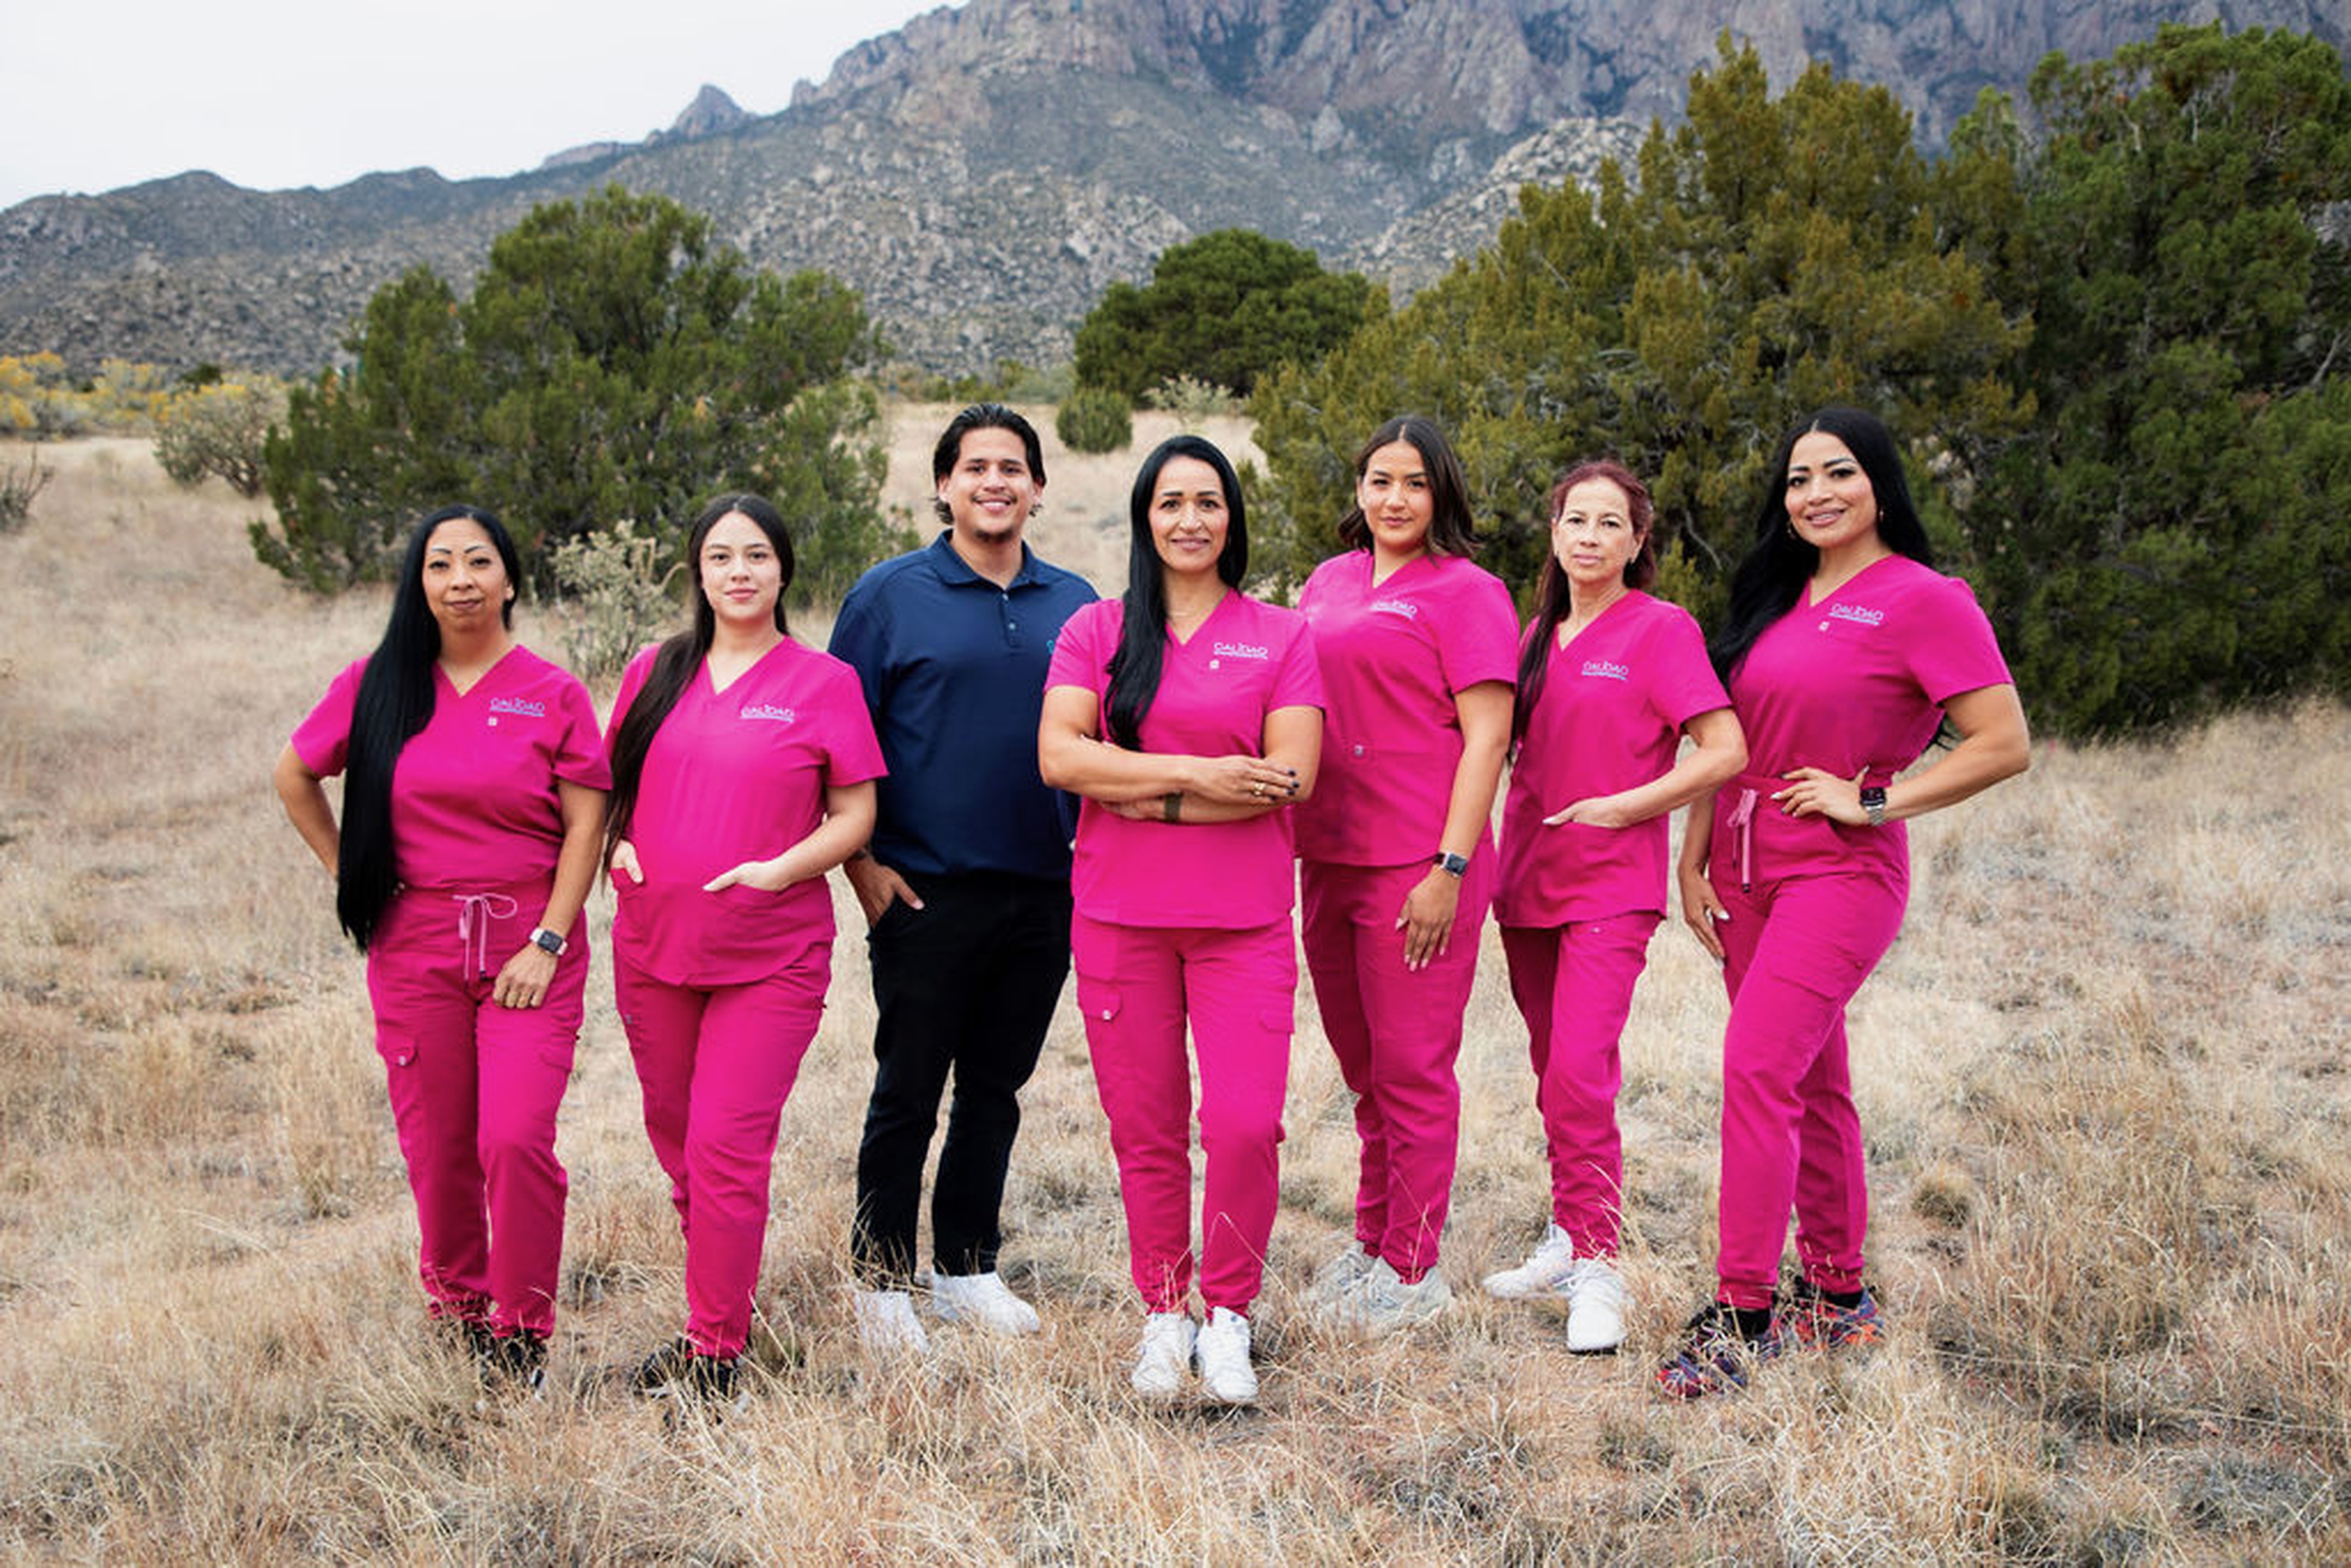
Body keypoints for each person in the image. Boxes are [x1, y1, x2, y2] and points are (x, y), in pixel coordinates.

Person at [1659, 407, 2030, 1398]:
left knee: (1756, 1068)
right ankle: (1837, 1293)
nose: (1816, 494)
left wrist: (1872, 801)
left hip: (1839, 872)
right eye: (1798, 479)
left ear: (1880, 485)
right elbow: (1725, 743)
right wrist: (1692, 859)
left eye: (1839, 473)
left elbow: (2004, 741)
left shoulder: (1925, 599)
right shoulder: (1775, 596)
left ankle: (1745, 1314)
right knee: (1811, 1083)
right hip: (1742, 869)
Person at [272, 505, 608, 1392]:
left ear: (510, 578)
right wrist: (350, 872)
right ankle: (460, 1312)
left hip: (526, 945)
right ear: (418, 583)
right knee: (439, 1144)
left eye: (478, 561)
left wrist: (548, 939)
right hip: (414, 943)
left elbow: (587, 825)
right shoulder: (377, 684)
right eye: (440, 563)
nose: (460, 579)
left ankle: (522, 1331)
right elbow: (295, 773)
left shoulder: (551, 692)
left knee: (514, 1137)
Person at [1038, 435, 1322, 1406]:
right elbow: (1061, 757)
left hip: (1243, 921)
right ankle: (1165, 1311)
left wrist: (1132, 789)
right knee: (1145, 1124)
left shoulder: (1280, 635)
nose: (1190, 519)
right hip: (1120, 918)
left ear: (1232, 519)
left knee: (1244, 1124)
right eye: (1171, 502)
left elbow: (1288, 779)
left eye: (1209, 501)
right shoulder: (1097, 630)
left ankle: (1229, 1313)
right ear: (1144, 518)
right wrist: (1199, 776)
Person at [603, 494, 882, 1404]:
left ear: (784, 569)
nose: (739, 571)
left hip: (771, 956)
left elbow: (856, 813)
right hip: (653, 947)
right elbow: (604, 791)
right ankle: (718, 1298)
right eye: (721, 555)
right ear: (697, 569)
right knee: (678, 1140)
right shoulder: (653, 671)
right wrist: (616, 844)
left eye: (757, 554)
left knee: (726, 1146)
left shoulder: (822, 682)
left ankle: (714, 1351)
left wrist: (778, 871)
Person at [829, 404, 1097, 1352]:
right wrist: (859, 864)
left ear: (1037, 488)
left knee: (995, 1086)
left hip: (1045, 889)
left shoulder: (1077, 603)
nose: (995, 482)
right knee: (908, 1088)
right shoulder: (888, 597)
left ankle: (966, 1267)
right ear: (944, 484)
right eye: (975, 466)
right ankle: (881, 1281)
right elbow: (834, 740)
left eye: (1012, 467)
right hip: (924, 891)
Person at [1484, 460, 1745, 1354]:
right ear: (1554, 533)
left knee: (1579, 1069)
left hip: (1610, 885)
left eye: (1609, 523)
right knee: (1551, 1068)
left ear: (1637, 542)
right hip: (1525, 880)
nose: (1589, 537)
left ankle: (1600, 1265)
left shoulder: (1660, 629)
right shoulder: (1533, 635)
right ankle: (1568, 1233)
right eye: (1575, 520)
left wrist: (1630, 807)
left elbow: (1724, 749)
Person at [1291, 414, 1518, 1330]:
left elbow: (1489, 738)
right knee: (1364, 1068)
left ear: (1442, 494)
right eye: (1381, 480)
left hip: (1418, 864)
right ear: (1359, 488)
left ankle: (1415, 1269)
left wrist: (1449, 867)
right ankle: (1375, 1240)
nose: (1395, 498)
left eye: (1416, 483)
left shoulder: (1469, 592)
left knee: (1413, 1069)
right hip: (1328, 855)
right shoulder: (1327, 581)